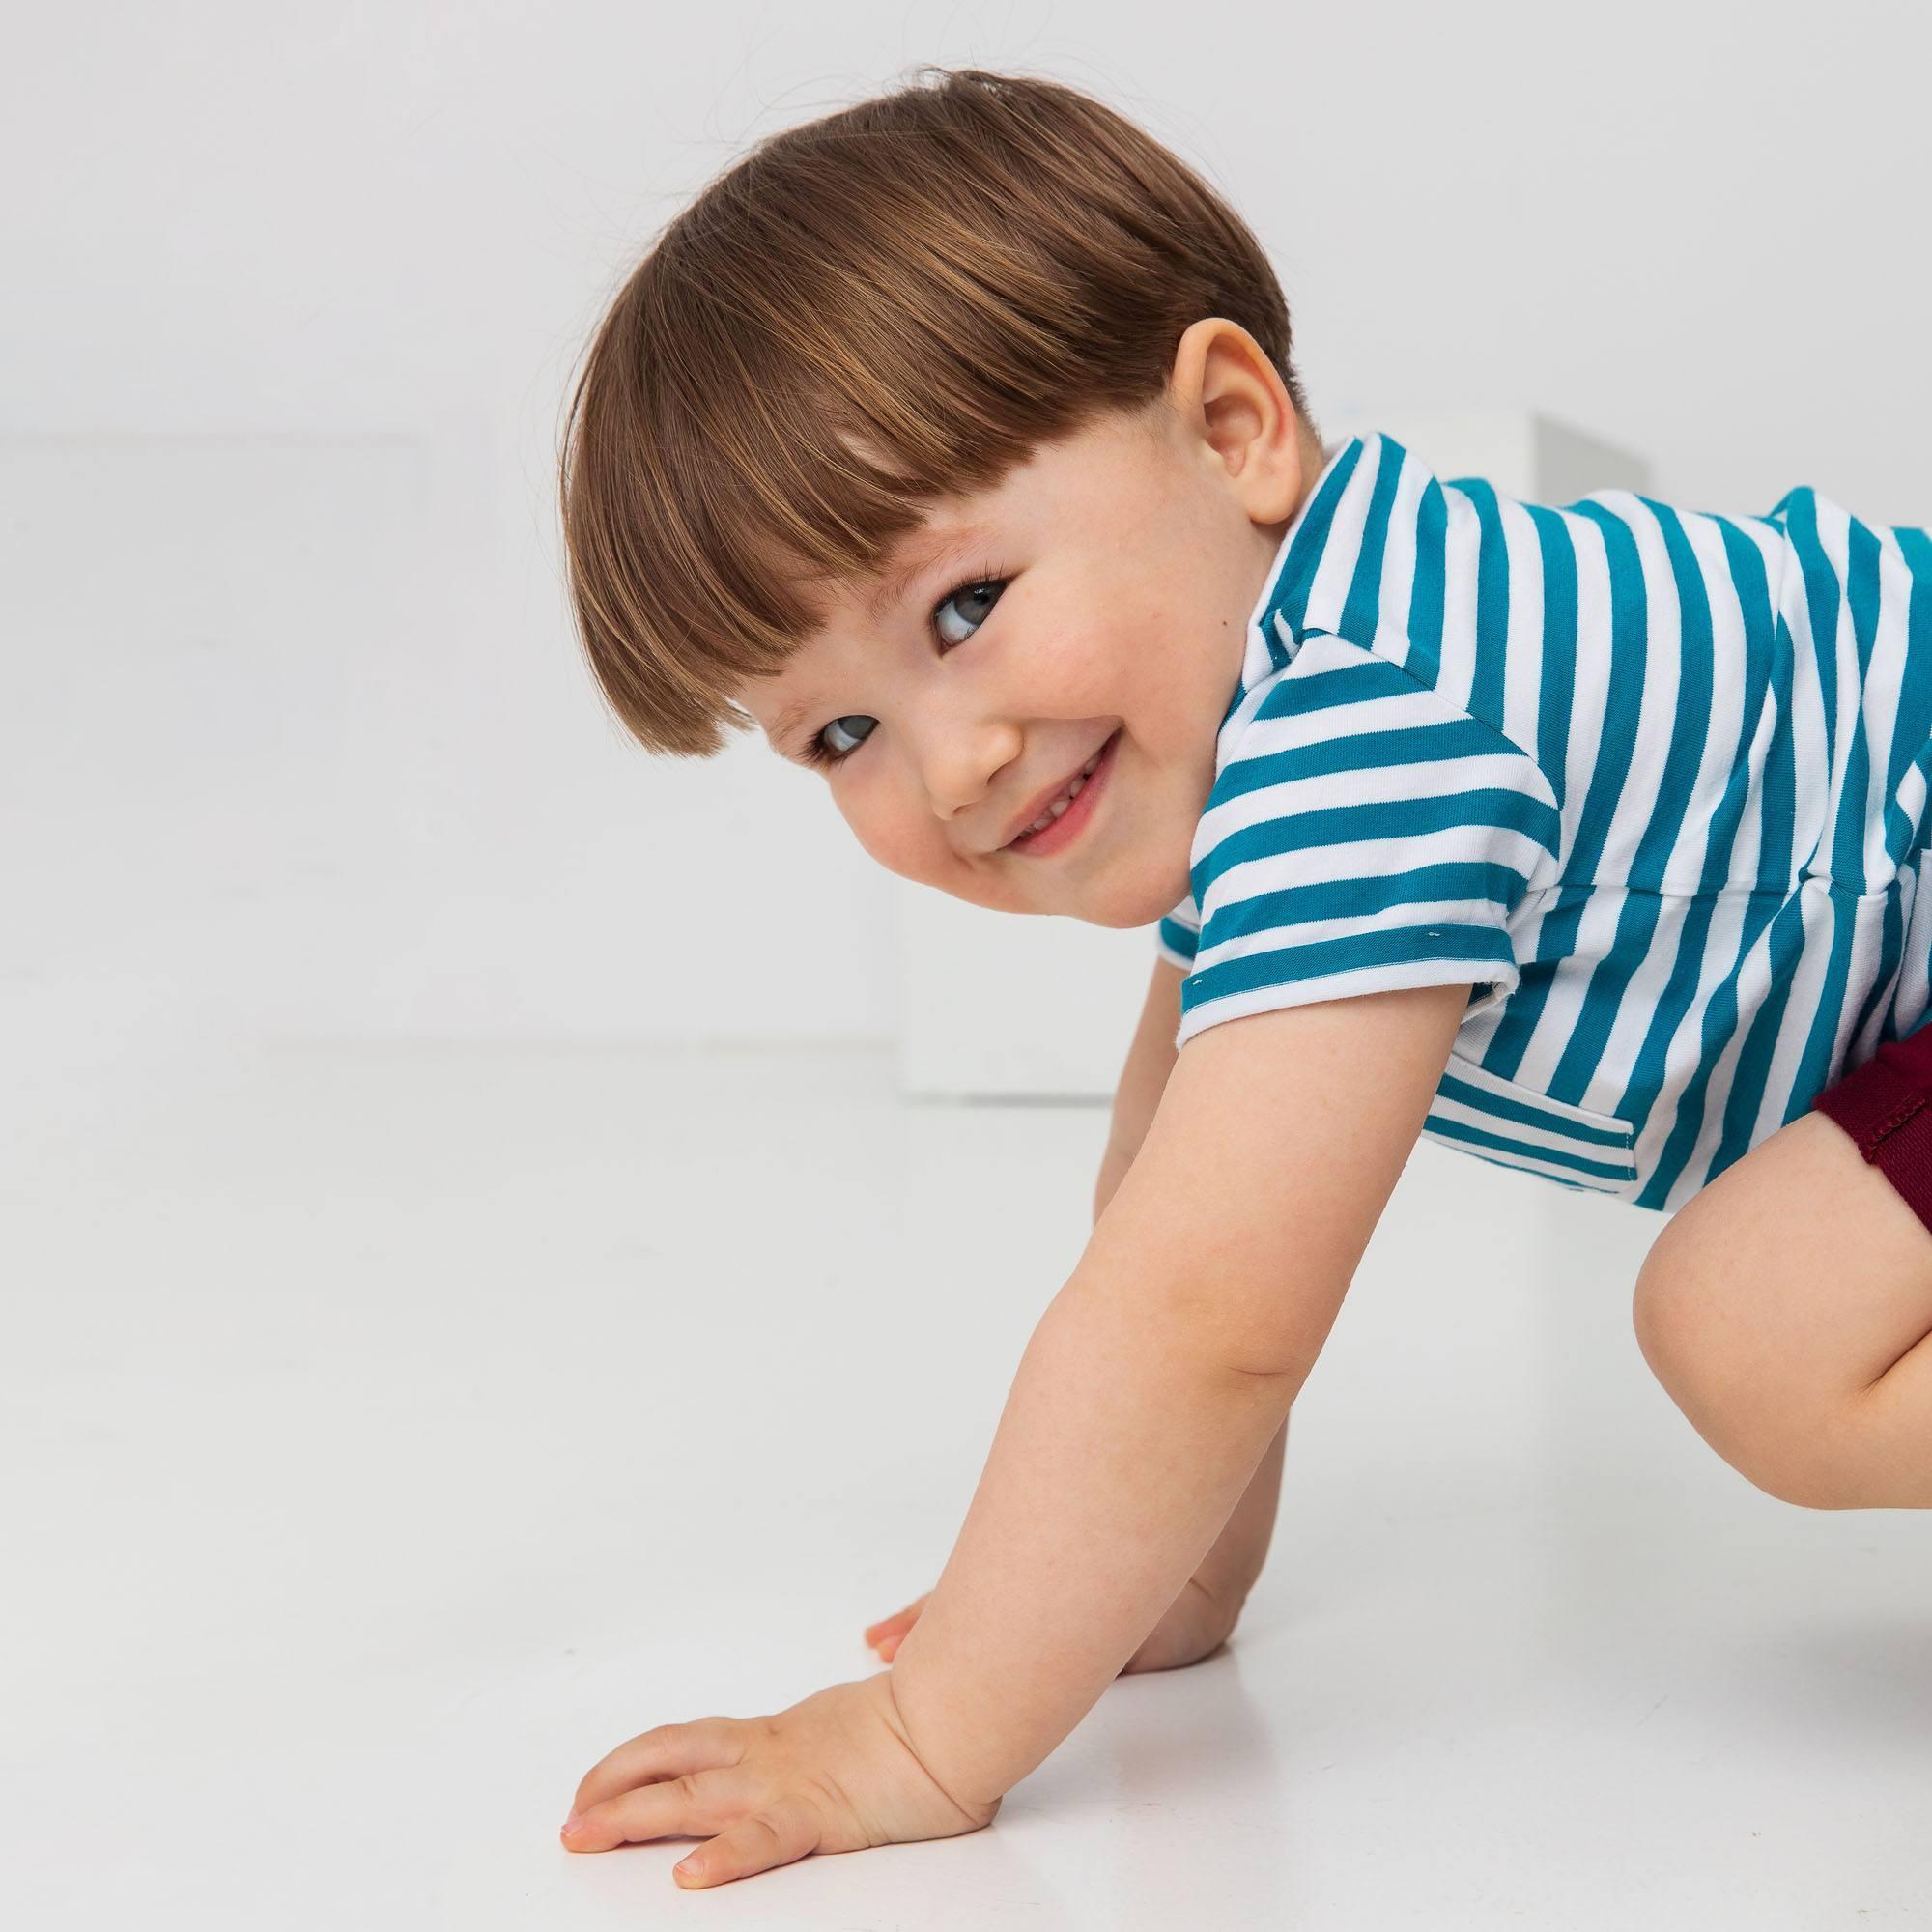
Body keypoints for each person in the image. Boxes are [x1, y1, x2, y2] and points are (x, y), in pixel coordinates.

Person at [551, 66, 1932, 1889]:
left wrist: (925, 1729)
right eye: (842, 732)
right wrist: (1162, 1585)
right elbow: (1165, 1219)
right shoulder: (1284, 730)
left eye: (966, 606)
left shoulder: (1376, 722)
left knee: (1757, 1327)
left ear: (1229, 429)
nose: (953, 759)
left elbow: (1205, 1320)